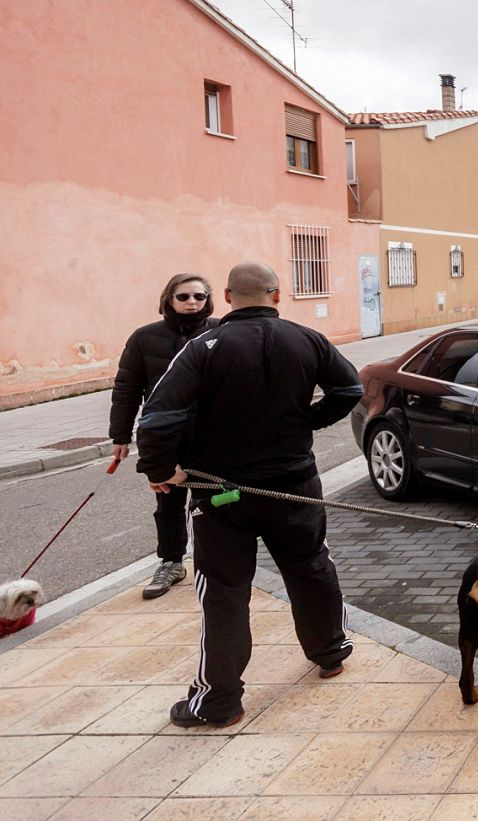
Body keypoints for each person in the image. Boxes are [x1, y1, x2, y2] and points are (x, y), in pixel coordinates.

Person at [136, 261, 364, 728]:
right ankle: (330, 653)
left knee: (223, 591)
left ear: (226, 296)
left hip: (222, 494)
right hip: (295, 486)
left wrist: (161, 470)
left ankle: (219, 701)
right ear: (277, 295)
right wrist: (307, 420)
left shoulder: (204, 347)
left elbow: (157, 417)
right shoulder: (308, 339)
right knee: (311, 567)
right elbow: (350, 388)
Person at [109, 273, 217, 599]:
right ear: (169, 299)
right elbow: (126, 390)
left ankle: (218, 562)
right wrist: (120, 436)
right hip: (166, 438)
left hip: (212, 435)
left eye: (199, 296)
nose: (192, 302)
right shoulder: (144, 338)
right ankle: (171, 562)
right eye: (183, 296)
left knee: (215, 501)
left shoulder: (221, 331)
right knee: (168, 502)